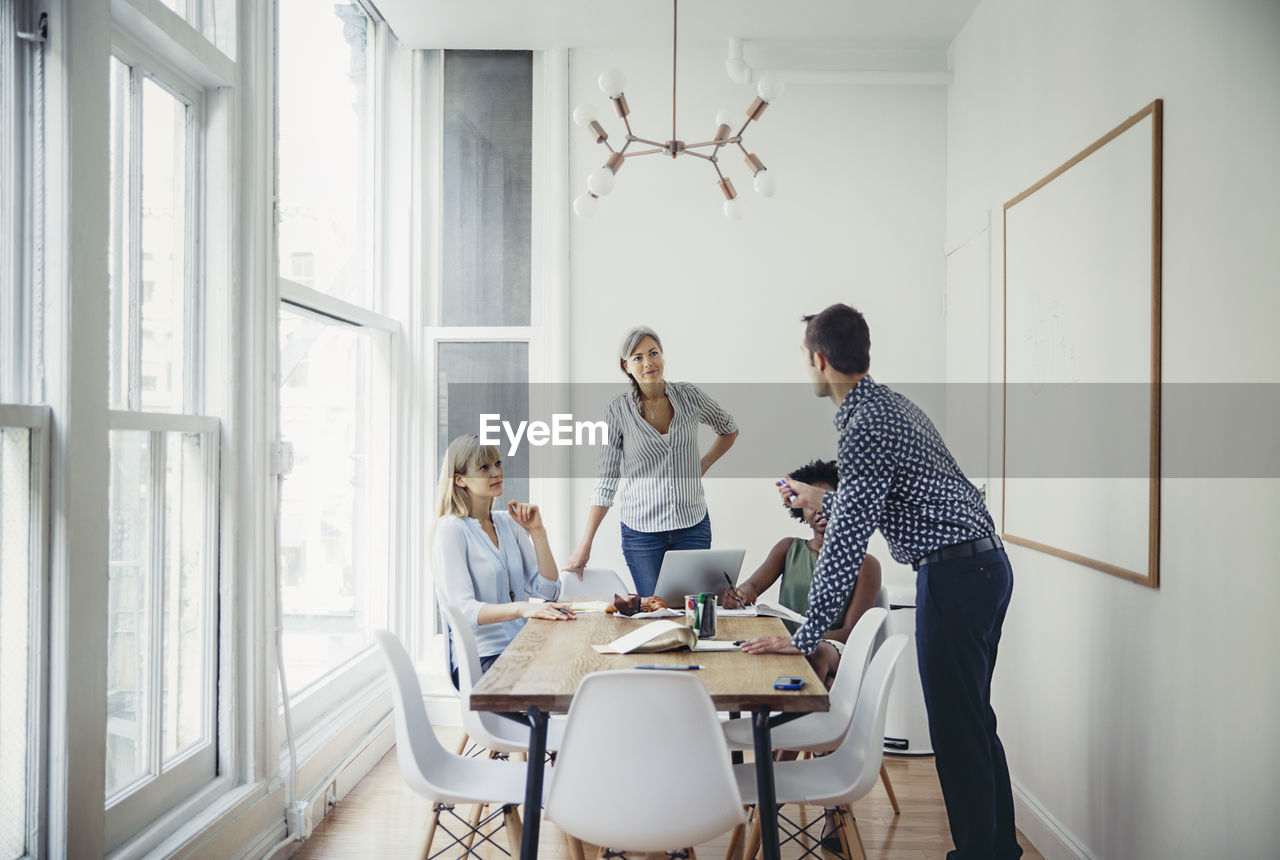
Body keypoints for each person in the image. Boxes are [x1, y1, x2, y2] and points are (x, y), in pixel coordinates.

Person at [743, 303, 1021, 860]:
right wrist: (825, 499)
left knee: (957, 730)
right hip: (983, 567)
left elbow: (846, 545)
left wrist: (803, 640)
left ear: (820, 360)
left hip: (955, 574)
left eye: (805, 358)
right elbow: (878, 499)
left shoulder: (864, 425)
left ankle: (979, 854)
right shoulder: (889, 406)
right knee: (974, 722)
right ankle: (996, 852)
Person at [563, 326, 739, 596]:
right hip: (641, 534)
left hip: (691, 526)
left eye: (653, 353)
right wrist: (585, 544)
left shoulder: (689, 396)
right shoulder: (617, 409)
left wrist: (702, 465)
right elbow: (606, 479)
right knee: (654, 613)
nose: (648, 363)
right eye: (638, 357)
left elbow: (728, 428)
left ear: (663, 356)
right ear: (626, 366)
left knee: (691, 612)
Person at [722, 458, 882, 689]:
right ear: (800, 511)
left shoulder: (866, 564)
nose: (820, 510)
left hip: (832, 646)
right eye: (811, 504)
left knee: (813, 653)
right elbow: (753, 587)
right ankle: (811, 702)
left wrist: (798, 642)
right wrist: (740, 594)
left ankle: (800, 711)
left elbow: (850, 632)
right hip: (780, 643)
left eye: (827, 500)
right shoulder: (788, 548)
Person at [433, 434, 575, 688]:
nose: (496, 472)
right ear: (460, 480)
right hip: (482, 657)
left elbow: (549, 591)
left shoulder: (507, 522)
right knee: (564, 683)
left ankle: (482, 727)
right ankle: (484, 725)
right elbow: (463, 610)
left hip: (522, 644)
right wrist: (522, 608)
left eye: (498, 464)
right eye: (484, 467)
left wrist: (537, 532)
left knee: (580, 669)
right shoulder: (451, 529)